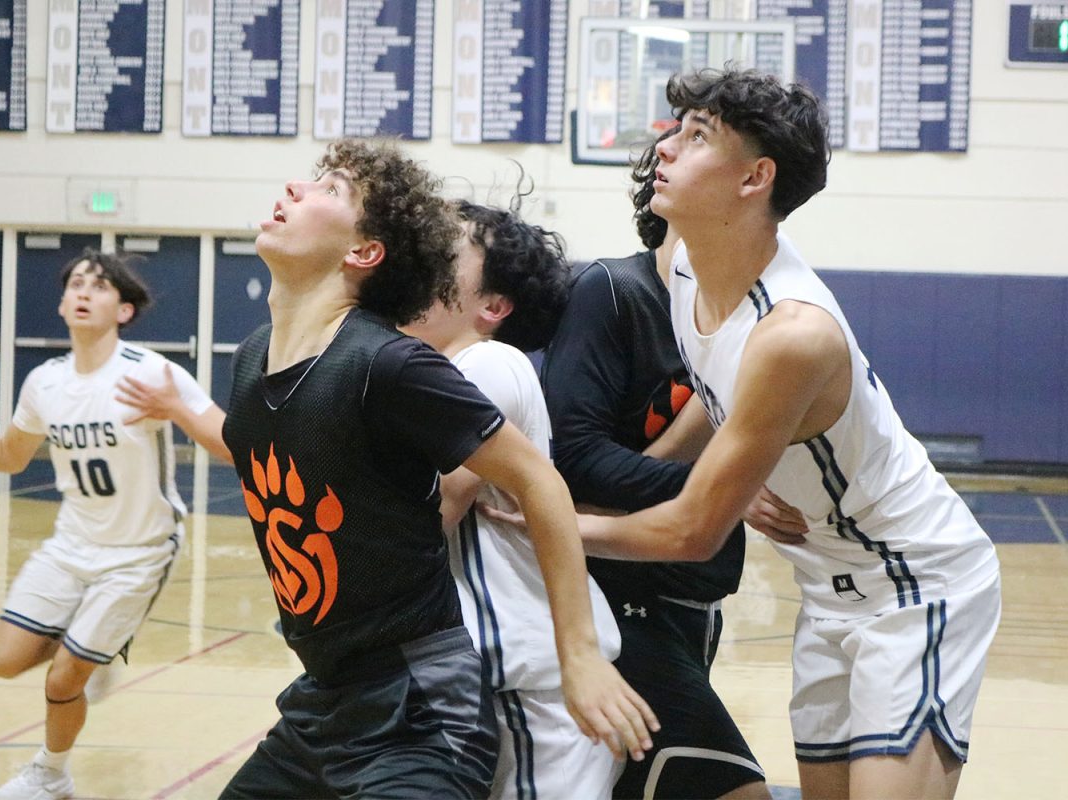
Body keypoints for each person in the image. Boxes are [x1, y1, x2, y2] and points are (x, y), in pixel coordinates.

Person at [494, 68, 1002, 800]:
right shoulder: (693, 278)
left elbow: (693, 533)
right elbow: (718, 388)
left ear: (754, 179)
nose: (665, 148)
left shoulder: (793, 334)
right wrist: (668, 461)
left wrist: (551, 524)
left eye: (696, 136)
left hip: (917, 585)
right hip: (827, 588)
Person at [218, 139, 656, 799]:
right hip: (326, 695)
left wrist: (580, 655)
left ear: (363, 252)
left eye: (330, 189)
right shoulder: (254, 357)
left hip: (419, 707)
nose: (294, 189)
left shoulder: (391, 363)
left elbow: (539, 479)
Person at [539, 127, 785, 800]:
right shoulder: (611, 292)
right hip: (614, 593)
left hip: (693, 591)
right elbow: (576, 457)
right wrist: (719, 490)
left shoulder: (760, 320)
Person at [0, 248, 229, 800]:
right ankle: (94, 650)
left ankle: (50, 774)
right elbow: (11, 457)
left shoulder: (151, 372)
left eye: (100, 286)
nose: (84, 292)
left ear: (124, 310)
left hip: (140, 552)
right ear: (62, 304)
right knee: (2, 660)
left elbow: (231, 444)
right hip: (70, 546)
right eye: (76, 285)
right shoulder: (45, 381)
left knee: (64, 677)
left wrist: (175, 409)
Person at [403, 196, 629, 799]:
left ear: (492, 306)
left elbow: (429, 518)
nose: (423, 248)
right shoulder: (421, 372)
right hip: (499, 682)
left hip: (538, 686)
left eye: (448, 247)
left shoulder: (488, 362)